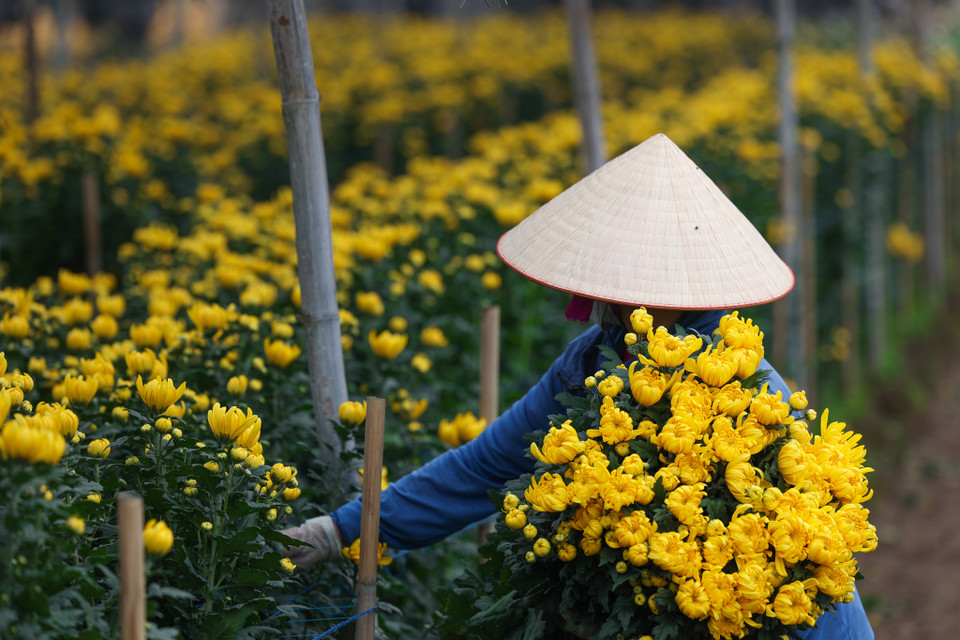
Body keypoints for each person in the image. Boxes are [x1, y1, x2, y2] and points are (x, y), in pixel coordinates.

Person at [284, 134, 875, 639]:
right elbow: (484, 467)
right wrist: (339, 529)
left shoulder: (750, 386)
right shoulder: (591, 362)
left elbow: (796, 558)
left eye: (616, 287)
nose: (602, 302)